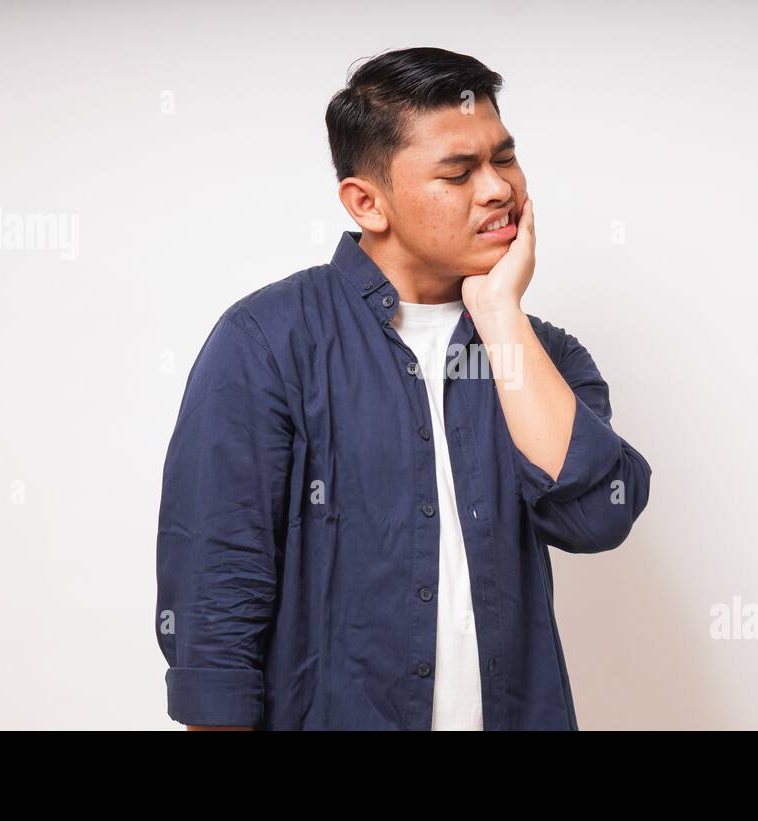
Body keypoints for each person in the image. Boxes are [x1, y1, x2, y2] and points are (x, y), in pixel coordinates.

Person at [155, 46, 651, 731]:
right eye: (459, 172)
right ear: (368, 201)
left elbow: (596, 516)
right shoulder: (268, 342)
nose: (499, 189)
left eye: (504, 158)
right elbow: (214, 608)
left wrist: (501, 313)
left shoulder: (543, 353)